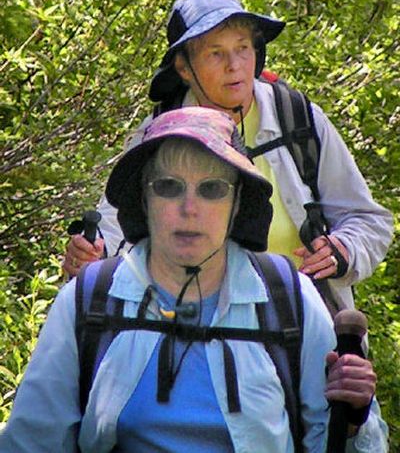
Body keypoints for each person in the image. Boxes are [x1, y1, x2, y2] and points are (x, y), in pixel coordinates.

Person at [0, 107, 388, 452]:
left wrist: (352, 421)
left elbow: (343, 442)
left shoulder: (290, 299)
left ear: (238, 204)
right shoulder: (90, 299)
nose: (190, 209)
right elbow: (32, 441)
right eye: (168, 187)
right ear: (144, 200)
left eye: (212, 189)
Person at [63, 0, 393, 313]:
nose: (234, 65)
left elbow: (367, 220)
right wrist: (91, 255)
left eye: (243, 49)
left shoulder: (297, 119)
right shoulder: (160, 132)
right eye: (216, 54)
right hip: (191, 324)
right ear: (184, 68)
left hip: (302, 328)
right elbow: (115, 225)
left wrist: (343, 250)